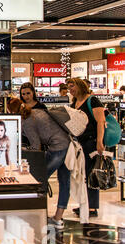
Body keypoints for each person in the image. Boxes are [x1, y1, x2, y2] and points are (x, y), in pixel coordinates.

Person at [8, 98, 71, 229]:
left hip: (58, 147)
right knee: (64, 182)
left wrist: (20, 149)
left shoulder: (27, 121)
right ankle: (58, 218)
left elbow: (35, 146)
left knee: (39, 180)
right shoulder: (35, 111)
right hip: (68, 144)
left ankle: (38, 216)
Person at [67, 78, 105, 217]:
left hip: (91, 142)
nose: (70, 89)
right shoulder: (74, 103)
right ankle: (84, 204)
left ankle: (92, 207)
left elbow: (101, 122)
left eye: (72, 86)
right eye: (68, 86)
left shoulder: (92, 101)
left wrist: (99, 142)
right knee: (81, 174)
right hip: (79, 143)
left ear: (80, 86)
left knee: (91, 173)